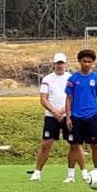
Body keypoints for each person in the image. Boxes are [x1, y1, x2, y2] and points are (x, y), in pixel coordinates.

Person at [64, 49, 97, 176]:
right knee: (74, 145)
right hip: (76, 117)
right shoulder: (73, 79)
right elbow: (69, 98)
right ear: (79, 61)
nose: (87, 64)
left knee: (95, 145)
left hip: (92, 117)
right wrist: (68, 117)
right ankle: (71, 175)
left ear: (93, 62)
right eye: (84, 61)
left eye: (89, 61)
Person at [31, 53, 70, 182]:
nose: (60, 66)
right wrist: (54, 111)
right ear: (53, 64)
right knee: (46, 144)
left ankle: (78, 172)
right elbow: (43, 99)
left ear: (66, 64)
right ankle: (37, 172)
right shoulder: (47, 79)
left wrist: (63, 110)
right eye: (57, 63)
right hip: (51, 116)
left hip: (68, 116)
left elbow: (74, 98)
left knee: (75, 144)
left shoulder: (71, 78)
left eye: (62, 63)